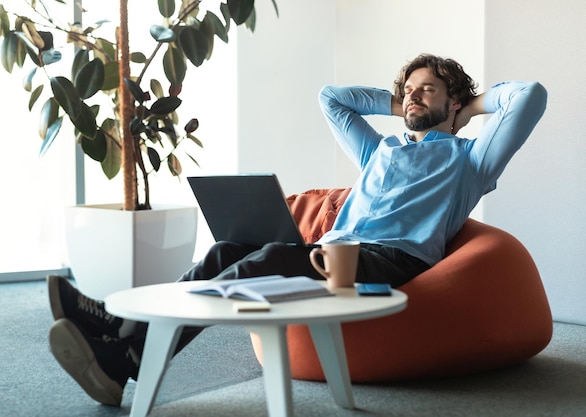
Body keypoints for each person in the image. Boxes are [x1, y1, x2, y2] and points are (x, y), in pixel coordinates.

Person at [47, 53, 547, 406]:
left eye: (427, 90)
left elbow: (530, 96)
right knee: (227, 250)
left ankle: (123, 343)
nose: (413, 96)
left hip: (391, 261)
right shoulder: (380, 152)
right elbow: (333, 99)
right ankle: (121, 342)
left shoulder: (471, 162)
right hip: (331, 251)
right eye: (408, 89)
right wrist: (406, 107)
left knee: (267, 262)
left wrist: (468, 105)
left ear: (454, 102)